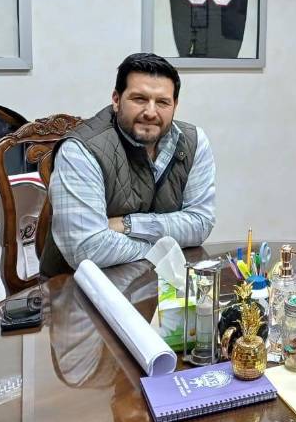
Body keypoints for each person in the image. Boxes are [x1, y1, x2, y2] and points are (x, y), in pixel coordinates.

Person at [40, 53, 215, 276]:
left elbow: (201, 223)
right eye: (139, 99)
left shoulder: (194, 141)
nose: (150, 112)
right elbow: (87, 249)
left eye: (162, 102)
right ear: (116, 99)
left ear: (175, 105)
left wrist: (127, 224)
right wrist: (160, 250)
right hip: (77, 288)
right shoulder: (80, 150)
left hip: (161, 283)